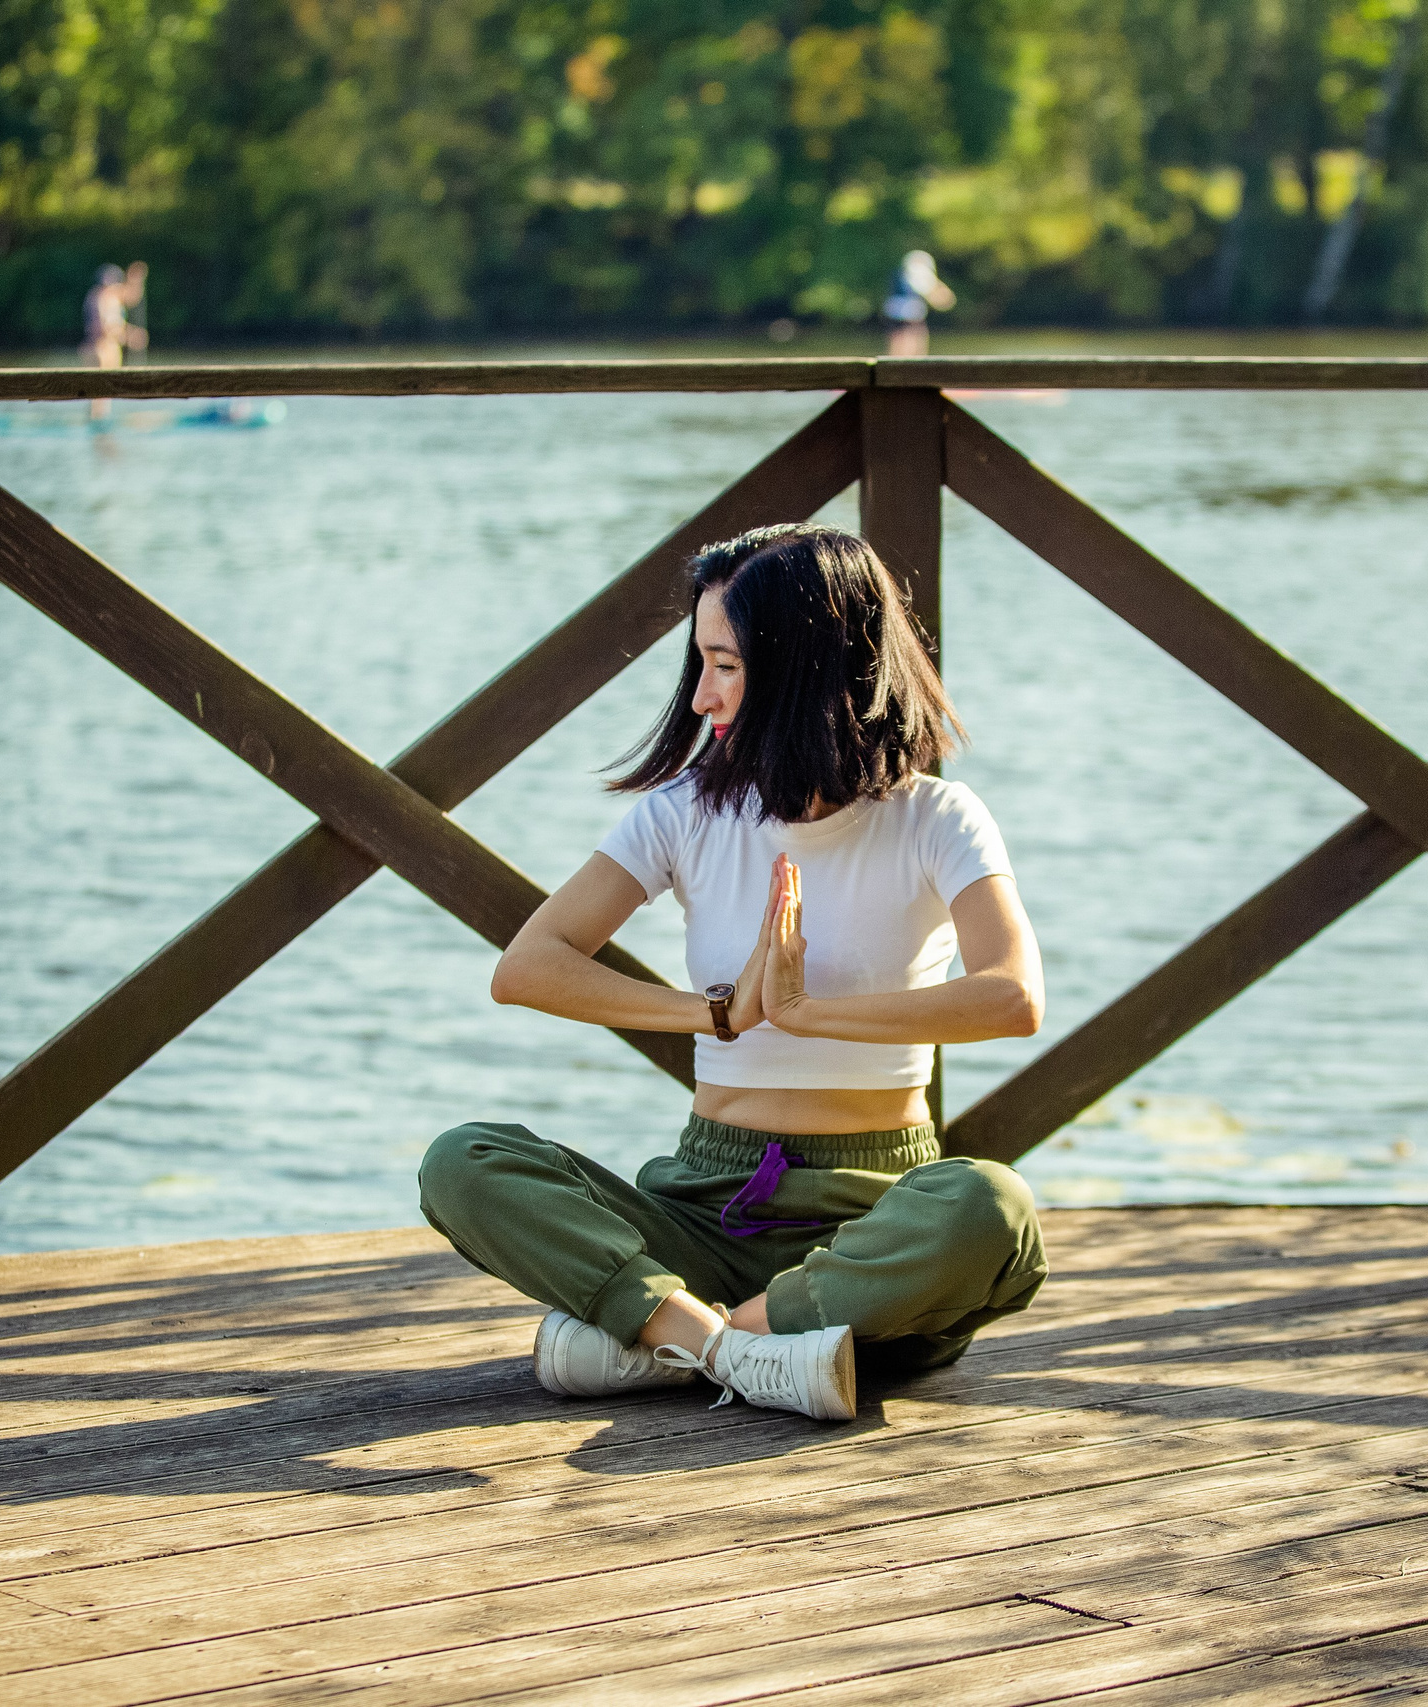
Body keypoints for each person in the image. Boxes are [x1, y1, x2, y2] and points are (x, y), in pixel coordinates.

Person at [419, 524, 1049, 1423]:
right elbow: (529, 967)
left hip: (872, 1223)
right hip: (706, 1209)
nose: (703, 695)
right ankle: (737, 1348)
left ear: (807, 669)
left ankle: (668, 1341)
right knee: (465, 1161)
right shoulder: (683, 813)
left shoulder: (937, 819)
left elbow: (1014, 996)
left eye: (728, 664)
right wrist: (719, 1015)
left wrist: (806, 1010)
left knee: (990, 1206)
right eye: (701, 662)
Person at [80, 262, 149, 421]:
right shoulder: (103, 298)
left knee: (100, 398)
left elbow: (131, 297)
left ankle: (97, 425)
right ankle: (99, 428)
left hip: (99, 348)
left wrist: (136, 279)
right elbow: (105, 328)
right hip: (101, 349)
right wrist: (130, 336)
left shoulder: (101, 295)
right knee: (100, 399)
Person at [881, 250, 956, 357]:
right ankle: (910, 369)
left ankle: (895, 368)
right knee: (913, 343)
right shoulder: (918, 271)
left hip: (894, 313)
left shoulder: (902, 272)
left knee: (897, 342)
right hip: (909, 314)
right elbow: (932, 293)